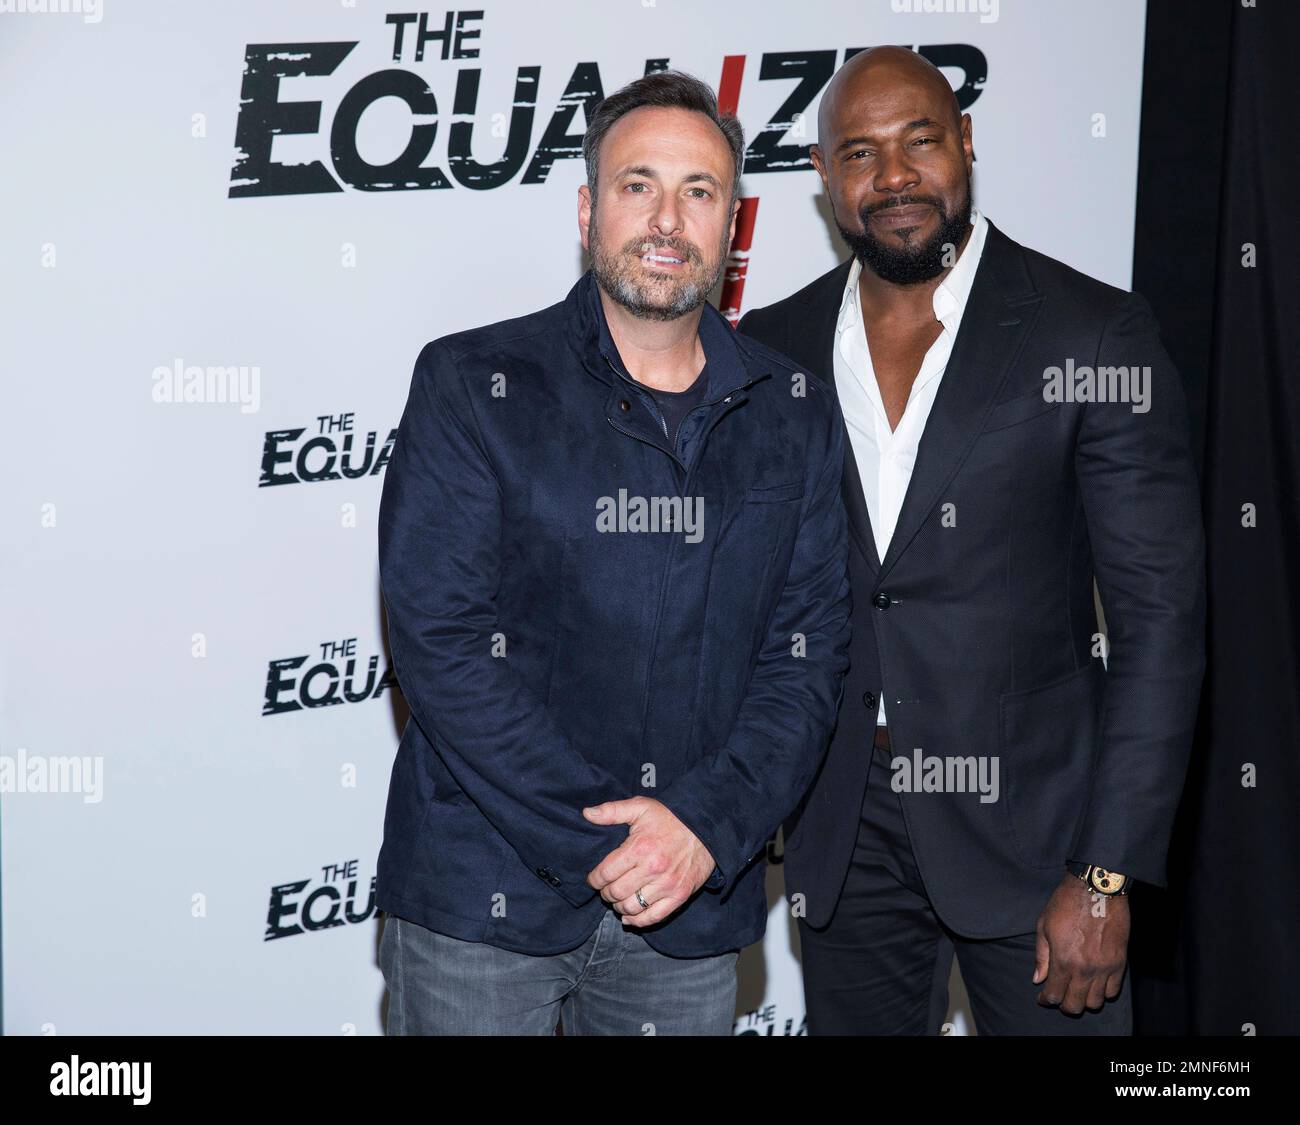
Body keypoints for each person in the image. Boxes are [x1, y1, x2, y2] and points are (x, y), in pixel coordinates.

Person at [738, 46, 1205, 1035]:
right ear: (823, 178)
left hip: (1042, 837)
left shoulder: (1089, 335)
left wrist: (1104, 871)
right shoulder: (773, 348)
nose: (894, 177)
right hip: (842, 827)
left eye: (920, 141)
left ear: (966, 143)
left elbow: (1159, 623)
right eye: (859, 153)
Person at [375, 70, 850, 1036]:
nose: (667, 219)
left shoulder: (793, 414)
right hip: (484, 899)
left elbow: (805, 659)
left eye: (699, 192)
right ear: (589, 210)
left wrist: (702, 832)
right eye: (639, 185)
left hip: (691, 906)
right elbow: (442, 645)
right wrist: (619, 839)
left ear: (732, 224)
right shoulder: (474, 383)